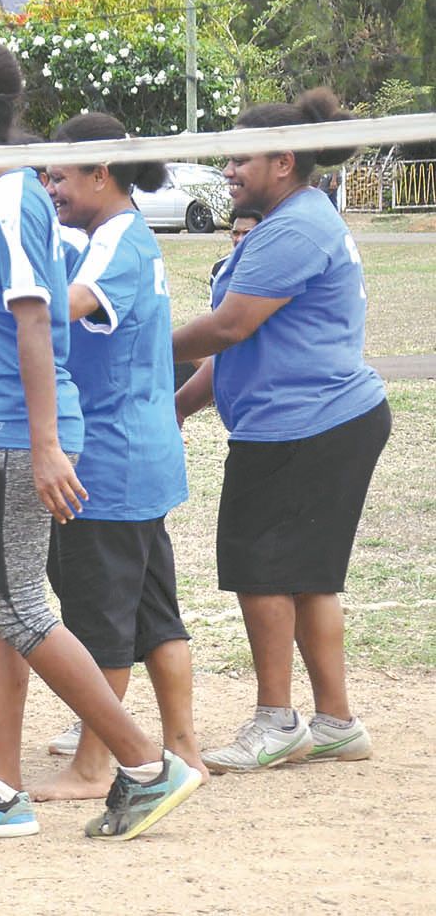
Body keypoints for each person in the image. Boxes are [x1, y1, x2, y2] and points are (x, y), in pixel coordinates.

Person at [0, 41, 200, 841]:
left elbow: (36, 318)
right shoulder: (3, 202)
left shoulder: (3, 198)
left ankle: (142, 763)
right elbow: (2, 313)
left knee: (18, 607)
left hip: (10, 437)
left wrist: (44, 443)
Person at [173, 90, 390, 774]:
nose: (229, 169)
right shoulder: (295, 219)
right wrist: (179, 405)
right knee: (306, 579)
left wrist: (135, 348)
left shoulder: (294, 228)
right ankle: (334, 723)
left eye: (241, 157)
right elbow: (241, 346)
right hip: (322, 420)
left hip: (303, 425)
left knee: (260, 571)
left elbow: (230, 326)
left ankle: (277, 721)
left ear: (283, 161)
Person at [29, 111, 203, 802]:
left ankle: (95, 763)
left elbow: (57, 309)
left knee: (99, 619)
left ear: (102, 175)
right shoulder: (120, 236)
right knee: (156, 612)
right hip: (140, 456)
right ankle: (183, 746)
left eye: (60, 176)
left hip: (106, 460)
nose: (49, 188)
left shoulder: (114, 245)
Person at [210, 211, 262, 281]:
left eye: (247, 233)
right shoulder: (220, 268)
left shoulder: (273, 267)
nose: (240, 239)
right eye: (236, 233)